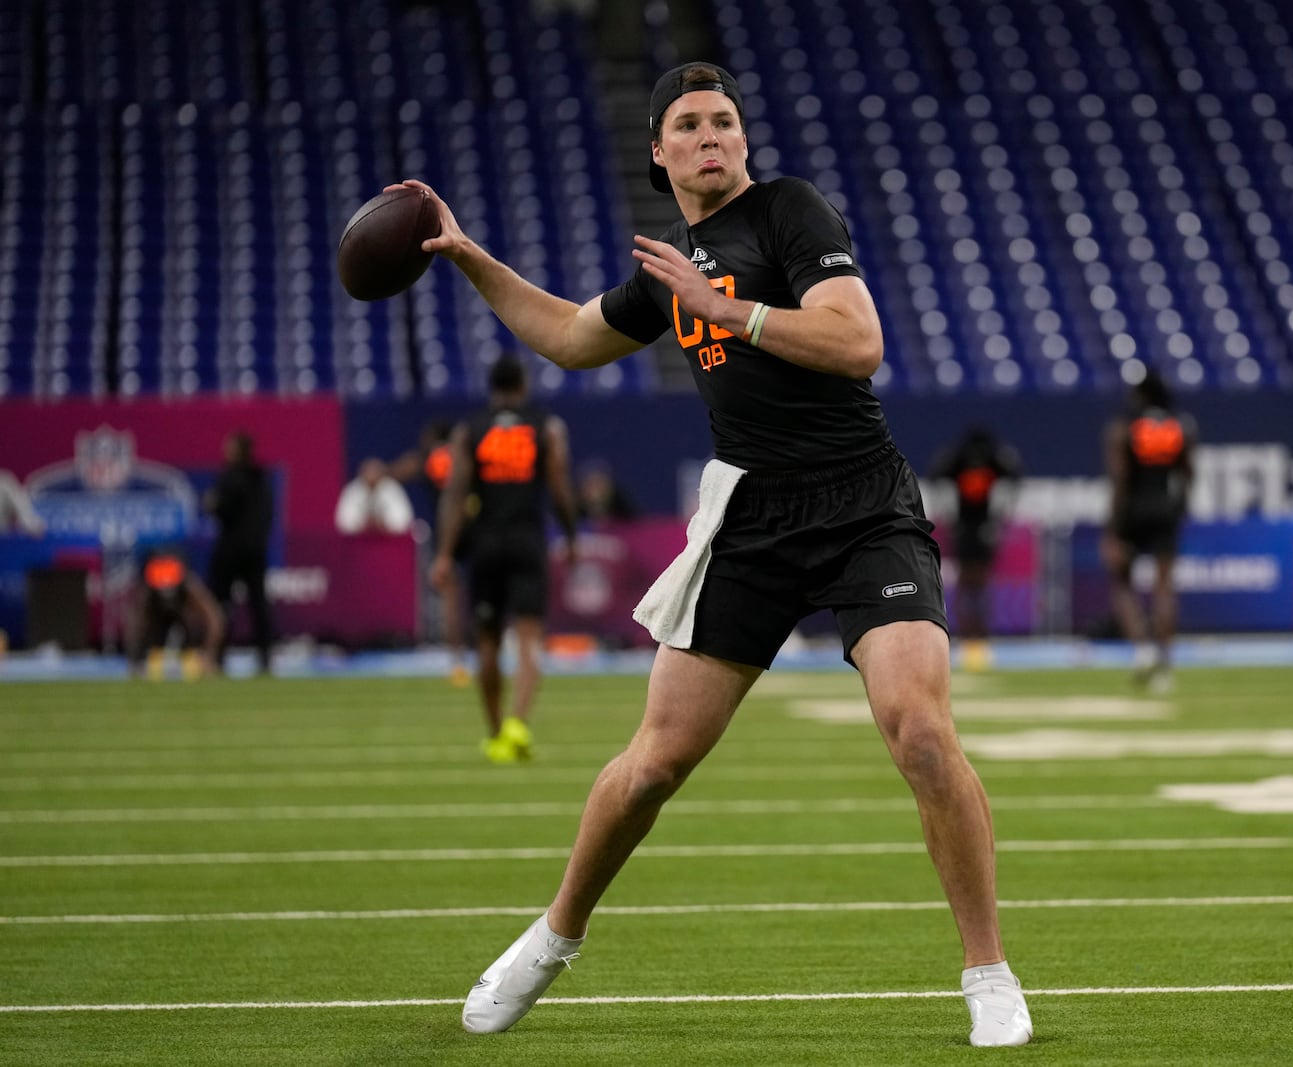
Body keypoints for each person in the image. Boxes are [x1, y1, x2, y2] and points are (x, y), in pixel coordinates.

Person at [395, 59, 1031, 1048]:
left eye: (724, 121)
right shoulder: (671, 264)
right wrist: (467, 253)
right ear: (658, 151)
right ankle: (553, 936)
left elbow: (858, 341)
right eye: (688, 124)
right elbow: (565, 335)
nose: (710, 136)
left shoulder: (788, 210)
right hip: (751, 520)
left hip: (864, 508)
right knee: (651, 765)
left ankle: (987, 969)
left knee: (917, 730)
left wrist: (726, 306)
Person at [432, 356, 579, 763]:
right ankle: (518, 723)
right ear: (522, 384)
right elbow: (560, 488)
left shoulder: (469, 430)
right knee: (530, 638)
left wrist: (444, 554)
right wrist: (570, 537)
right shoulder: (545, 427)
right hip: (527, 541)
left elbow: (455, 495)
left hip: (485, 545)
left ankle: (495, 732)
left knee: (487, 640)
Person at [1102, 370, 1195, 693]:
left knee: (1121, 580)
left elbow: (1121, 481)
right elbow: (1188, 475)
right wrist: (1180, 509)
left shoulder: (1123, 429)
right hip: (1166, 509)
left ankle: (1142, 649)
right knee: (1165, 587)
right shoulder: (1181, 427)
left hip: (1134, 512)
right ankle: (1165, 666)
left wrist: (1114, 528)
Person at [389, 420, 474, 685]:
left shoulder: (433, 456)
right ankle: (488, 653)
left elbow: (407, 467)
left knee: (451, 601)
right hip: (476, 530)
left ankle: (458, 662)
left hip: (448, 531)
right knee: (483, 597)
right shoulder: (466, 454)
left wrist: (382, 471)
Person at [930, 425, 1022, 642]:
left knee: (982, 580)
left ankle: (981, 630)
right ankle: (963, 628)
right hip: (963, 527)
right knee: (965, 579)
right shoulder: (957, 459)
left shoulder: (995, 459)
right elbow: (937, 477)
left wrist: (1001, 515)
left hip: (985, 526)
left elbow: (1014, 477)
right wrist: (948, 513)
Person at [204, 432, 274, 675]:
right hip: (255, 550)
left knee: (222, 604)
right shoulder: (261, 479)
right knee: (258, 605)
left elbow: (221, 509)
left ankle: (219, 656)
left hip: (231, 551)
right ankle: (265, 657)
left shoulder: (230, 478)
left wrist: (212, 504)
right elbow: (267, 514)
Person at [124, 546, 224, 679]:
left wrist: (209, 654)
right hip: (158, 623)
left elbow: (214, 619)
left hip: (187, 625)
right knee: (150, 634)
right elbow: (135, 625)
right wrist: (134, 660)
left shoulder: (191, 587)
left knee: (192, 637)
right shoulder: (147, 595)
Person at [334, 458, 415, 535]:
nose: (372, 477)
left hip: (388, 543)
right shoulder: (353, 490)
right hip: (358, 544)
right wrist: (363, 524)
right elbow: (343, 522)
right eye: (369, 473)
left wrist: (383, 524)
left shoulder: (392, 488)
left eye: (375, 473)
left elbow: (404, 521)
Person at [576, 458, 638, 523]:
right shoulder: (570, 524)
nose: (595, 492)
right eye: (589, 485)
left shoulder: (630, 520)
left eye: (599, 485)